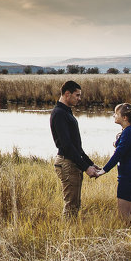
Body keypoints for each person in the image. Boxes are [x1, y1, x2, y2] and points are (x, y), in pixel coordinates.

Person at [50, 80, 101, 218]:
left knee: (75, 204)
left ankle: (71, 236)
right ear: (67, 94)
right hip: (66, 162)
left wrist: (90, 163)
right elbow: (66, 146)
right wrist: (86, 167)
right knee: (71, 206)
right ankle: (67, 237)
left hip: (72, 161)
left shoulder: (66, 111)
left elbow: (76, 146)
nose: (79, 98)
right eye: (77, 95)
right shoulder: (59, 113)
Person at [96, 102, 131, 227]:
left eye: (116, 114)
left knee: (124, 216)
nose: (114, 116)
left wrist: (104, 170)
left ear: (124, 118)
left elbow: (118, 154)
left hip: (128, 178)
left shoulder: (129, 132)